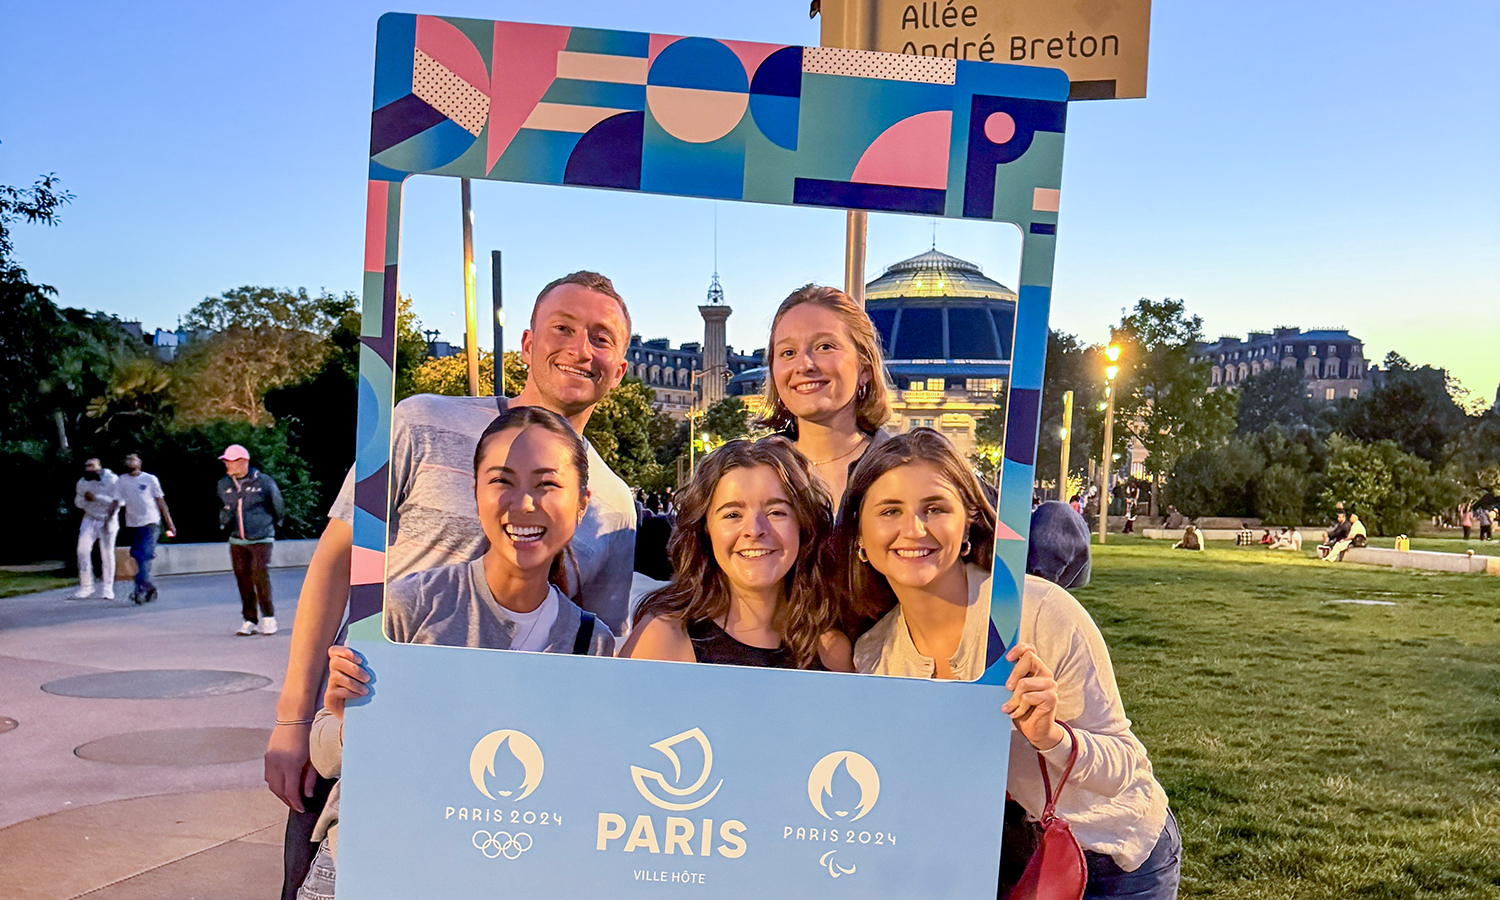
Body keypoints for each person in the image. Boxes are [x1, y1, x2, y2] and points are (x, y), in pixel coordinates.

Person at [264, 271, 638, 900]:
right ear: (526, 343)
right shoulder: (420, 422)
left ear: (620, 368)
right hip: (371, 729)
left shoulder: (613, 505)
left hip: (498, 777)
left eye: (602, 339)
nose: (581, 349)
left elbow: (586, 664)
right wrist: (292, 718)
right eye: (564, 329)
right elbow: (335, 563)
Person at [838, 430, 1179, 898]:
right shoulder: (875, 653)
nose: (914, 528)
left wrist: (1052, 738)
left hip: (1113, 857)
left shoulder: (1038, 612)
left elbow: (1125, 764)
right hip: (1007, 862)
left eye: (935, 508)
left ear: (968, 524)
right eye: (890, 510)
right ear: (860, 535)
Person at [296, 407, 616, 900]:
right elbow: (328, 754)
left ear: (581, 503)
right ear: (475, 493)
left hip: (497, 874)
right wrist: (342, 716)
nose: (524, 503)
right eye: (502, 481)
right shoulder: (407, 606)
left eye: (547, 484)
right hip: (370, 865)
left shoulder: (591, 644)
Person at [622, 438, 852, 671]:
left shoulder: (832, 651)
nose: (754, 530)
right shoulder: (664, 641)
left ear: (805, 525)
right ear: (705, 529)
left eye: (776, 512)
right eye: (732, 514)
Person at [758, 284, 892, 506]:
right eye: (788, 353)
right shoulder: (747, 473)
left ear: (865, 369)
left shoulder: (907, 470)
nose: (804, 365)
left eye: (824, 347)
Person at [217, 444, 286, 636]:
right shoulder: (224, 484)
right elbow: (223, 506)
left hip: (261, 537)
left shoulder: (263, 482)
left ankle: (268, 617)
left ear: (243, 462)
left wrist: (271, 527)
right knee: (243, 579)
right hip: (237, 540)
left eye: (231, 461)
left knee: (259, 574)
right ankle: (249, 620)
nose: (228, 465)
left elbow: (277, 506)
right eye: (226, 462)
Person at [118, 452, 176, 604]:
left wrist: (169, 523)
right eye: (128, 459)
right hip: (133, 524)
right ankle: (149, 586)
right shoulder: (121, 481)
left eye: (133, 459)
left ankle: (139, 590)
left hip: (150, 522)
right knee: (138, 556)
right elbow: (118, 502)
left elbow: (161, 502)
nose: (130, 461)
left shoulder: (150, 479)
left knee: (145, 556)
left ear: (140, 462)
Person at [72, 458, 121, 600]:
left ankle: (108, 588)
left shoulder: (112, 480)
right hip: (90, 518)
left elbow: (118, 501)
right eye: (86, 466)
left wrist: (97, 498)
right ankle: (86, 586)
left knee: (107, 554)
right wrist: (85, 501)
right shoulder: (83, 482)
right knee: (82, 550)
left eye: (92, 466)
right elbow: (78, 501)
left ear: (99, 466)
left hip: (108, 518)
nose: (89, 469)